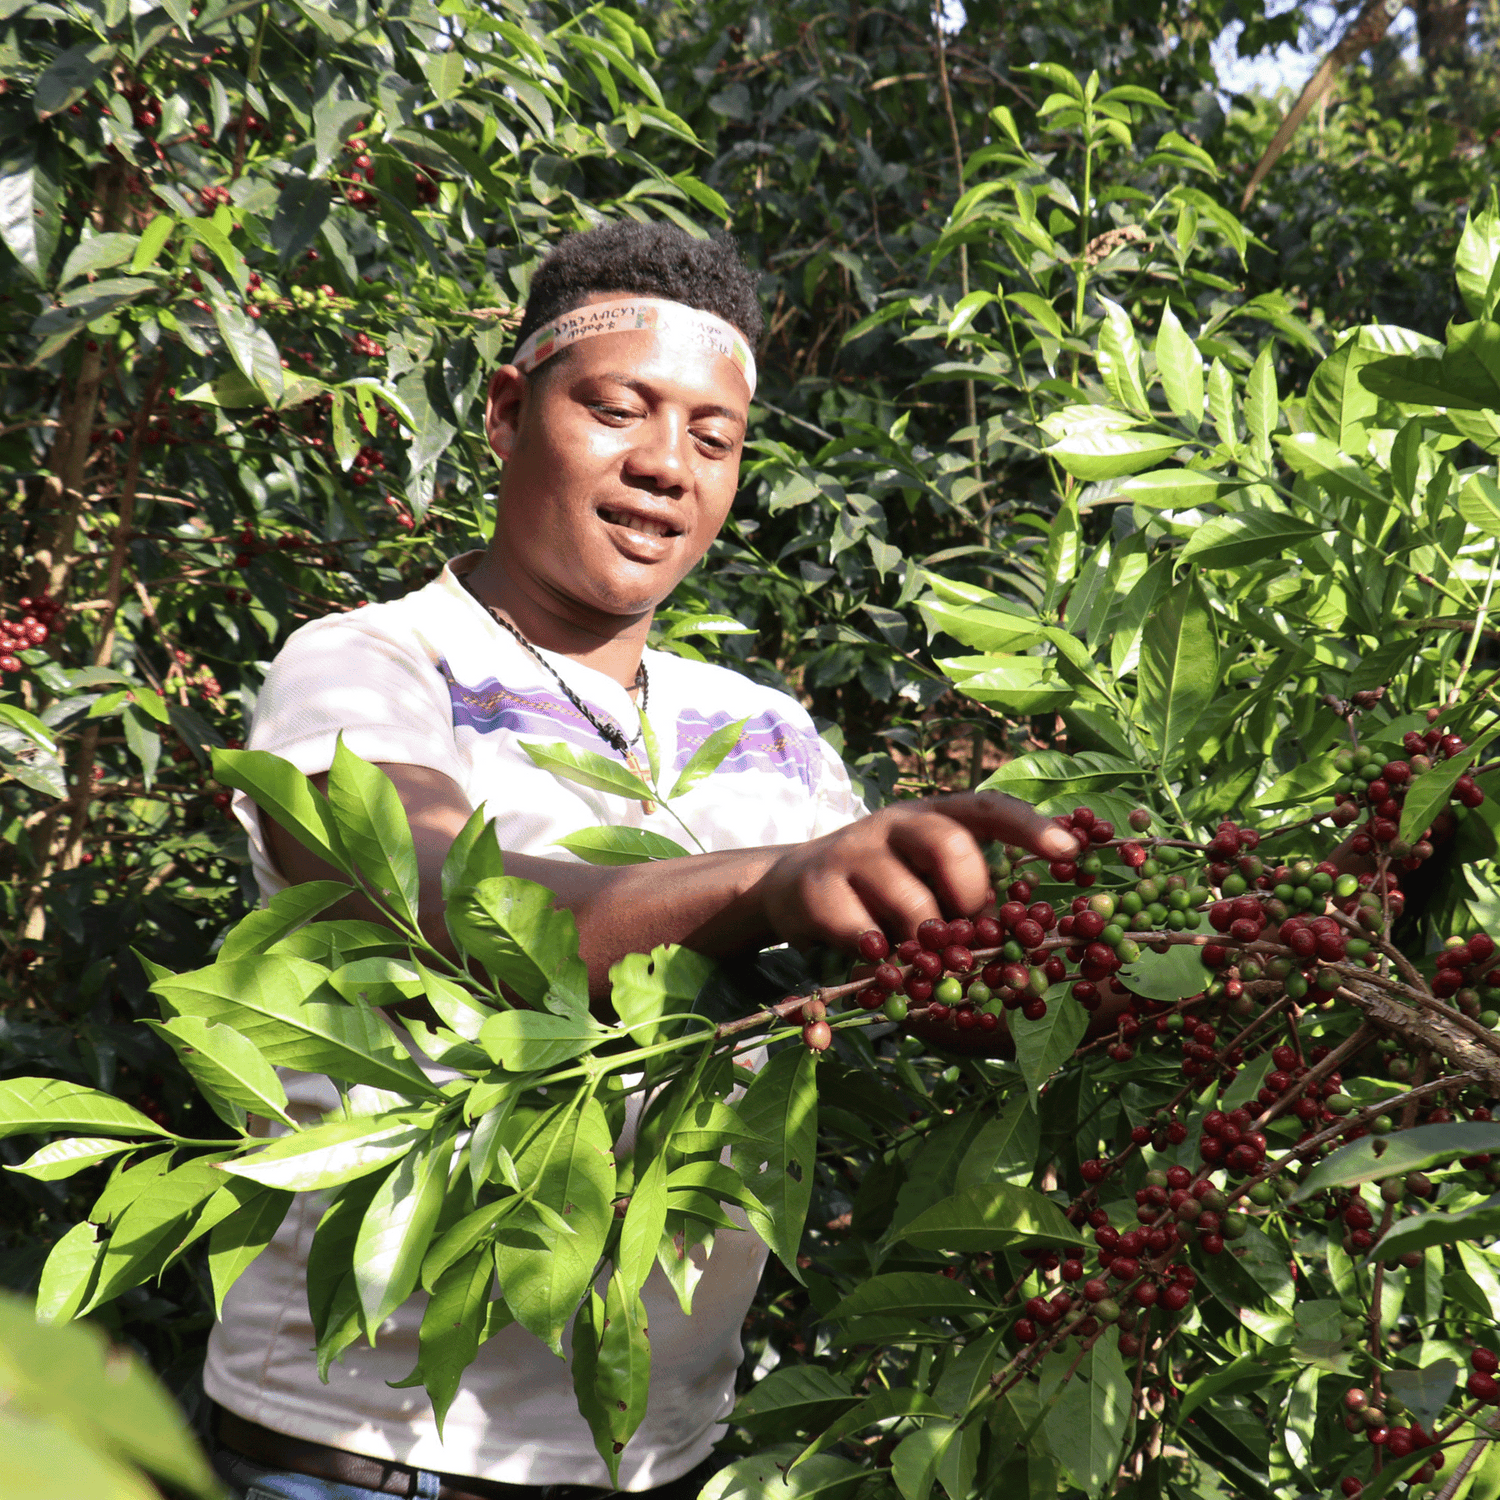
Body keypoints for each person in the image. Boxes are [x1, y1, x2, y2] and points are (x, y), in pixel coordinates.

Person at [205, 221, 1080, 1500]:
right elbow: (436, 895)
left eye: (713, 440)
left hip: (665, 1457)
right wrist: (763, 883)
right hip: (363, 1458)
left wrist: (1107, 948)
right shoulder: (372, 665)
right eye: (619, 411)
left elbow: (903, 976)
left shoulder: (767, 730)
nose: (667, 466)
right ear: (507, 413)